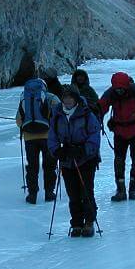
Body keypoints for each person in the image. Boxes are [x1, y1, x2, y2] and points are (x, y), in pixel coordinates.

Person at [48, 84, 101, 237]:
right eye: (65, 97)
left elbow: (94, 135)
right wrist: (57, 151)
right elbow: (52, 136)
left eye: (70, 97)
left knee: (86, 191)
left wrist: (83, 150)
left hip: (85, 159)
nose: (67, 100)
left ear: (76, 98)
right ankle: (76, 223)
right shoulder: (57, 114)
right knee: (73, 193)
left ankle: (89, 221)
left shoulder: (86, 114)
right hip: (67, 159)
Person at [99, 71, 135, 202]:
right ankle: (121, 190)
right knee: (119, 161)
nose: (119, 91)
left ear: (126, 86)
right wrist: (97, 116)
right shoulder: (111, 93)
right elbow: (101, 106)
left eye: (121, 89)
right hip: (120, 131)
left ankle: (132, 189)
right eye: (117, 89)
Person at [16, 78, 61, 204]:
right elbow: (59, 116)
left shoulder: (24, 98)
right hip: (48, 137)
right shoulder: (51, 97)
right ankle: (49, 193)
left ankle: (32, 195)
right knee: (50, 165)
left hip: (30, 138)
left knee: (32, 166)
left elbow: (19, 121)